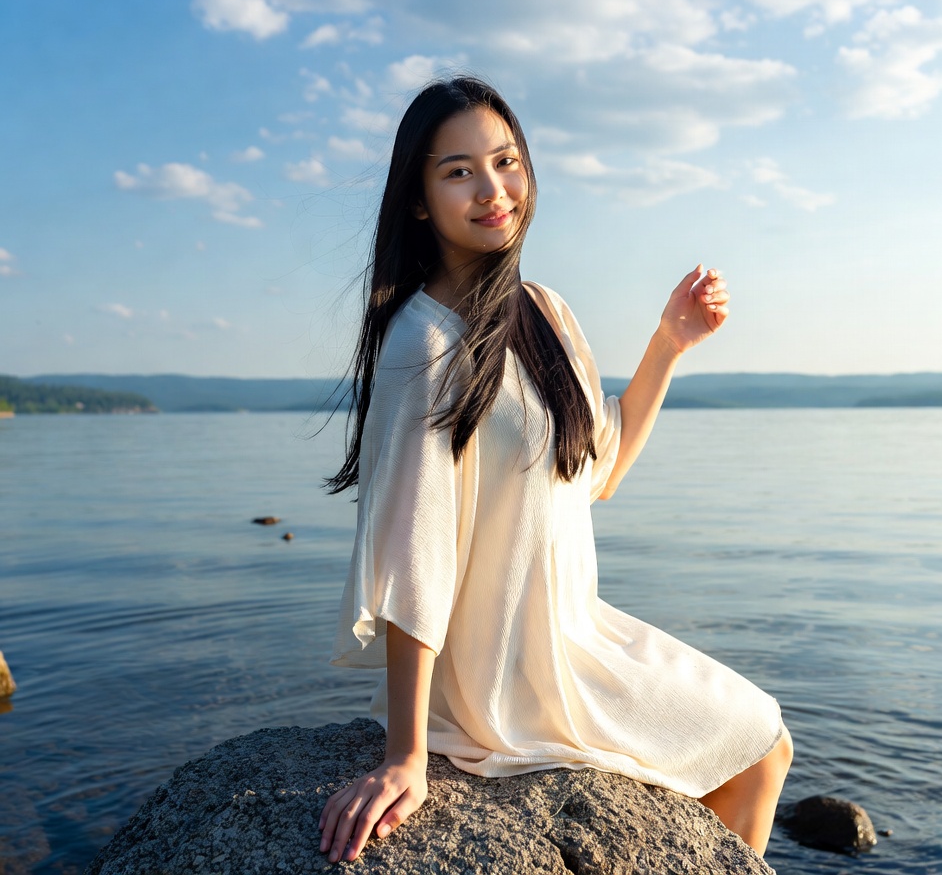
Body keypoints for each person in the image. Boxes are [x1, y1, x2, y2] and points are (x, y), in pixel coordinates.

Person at [319, 76, 793, 864]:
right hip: (504, 674)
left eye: (505, 161)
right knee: (759, 748)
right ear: (417, 199)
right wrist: (407, 753)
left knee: (759, 743)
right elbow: (415, 560)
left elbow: (597, 471)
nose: (492, 188)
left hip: (575, 629)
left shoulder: (543, 310)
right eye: (458, 170)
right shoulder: (421, 346)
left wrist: (669, 342)